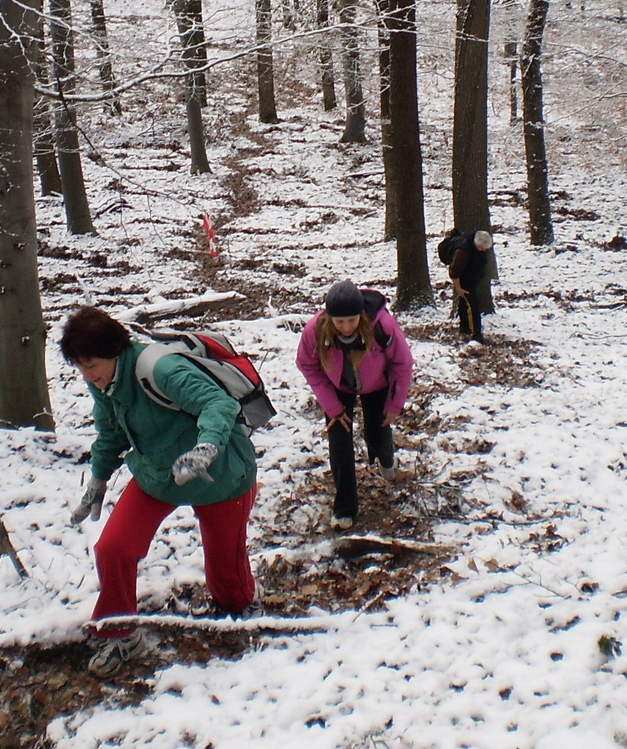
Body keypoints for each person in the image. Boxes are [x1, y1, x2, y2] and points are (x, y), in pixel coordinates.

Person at [62, 306, 259, 677]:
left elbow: (219, 403)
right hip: (157, 473)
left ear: (114, 351)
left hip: (221, 472)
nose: (87, 375)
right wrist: (98, 479)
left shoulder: (160, 370)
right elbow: (110, 433)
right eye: (80, 367)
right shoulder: (104, 382)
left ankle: (241, 609)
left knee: (227, 576)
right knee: (113, 547)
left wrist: (207, 447)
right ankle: (119, 631)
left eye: (91, 365)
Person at [295, 280, 414, 530]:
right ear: (329, 318)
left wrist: (395, 404)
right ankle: (344, 507)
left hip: (377, 385)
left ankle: (386, 459)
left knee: (377, 431)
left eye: (352, 320)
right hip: (338, 388)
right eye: (340, 321)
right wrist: (332, 407)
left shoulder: (383, 326)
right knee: (339, 443)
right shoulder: (315, 331)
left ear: (361, 315)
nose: (346, 327)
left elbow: (403, 364)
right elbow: (307, 364)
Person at [448, 229, 495, 343]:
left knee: (465, 302)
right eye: (482, 248)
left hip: (471, 275)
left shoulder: (478, 244)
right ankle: (476, 335)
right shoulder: (463, 252)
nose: (484, 250)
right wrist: (458, 288)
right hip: (463, 278)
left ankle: (464, 328)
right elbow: (454, 272)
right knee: (473, 305)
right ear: (475, 244)